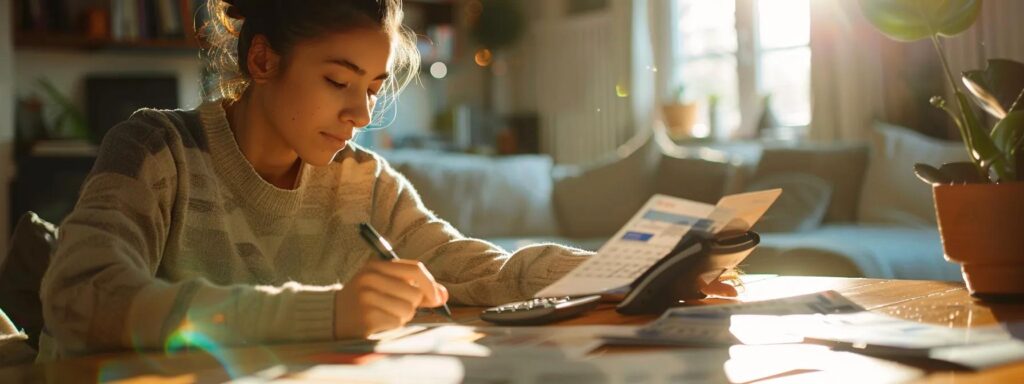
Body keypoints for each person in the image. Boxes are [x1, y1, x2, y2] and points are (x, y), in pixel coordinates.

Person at [38, 0, 735, 358]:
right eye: (338, 80)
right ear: (261, 61)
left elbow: (479, 268)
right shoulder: (156, 150)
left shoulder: (362, 182)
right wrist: (331, 311)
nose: (361, 112)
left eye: (372, 86)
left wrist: (627, 271)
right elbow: (80, 298)